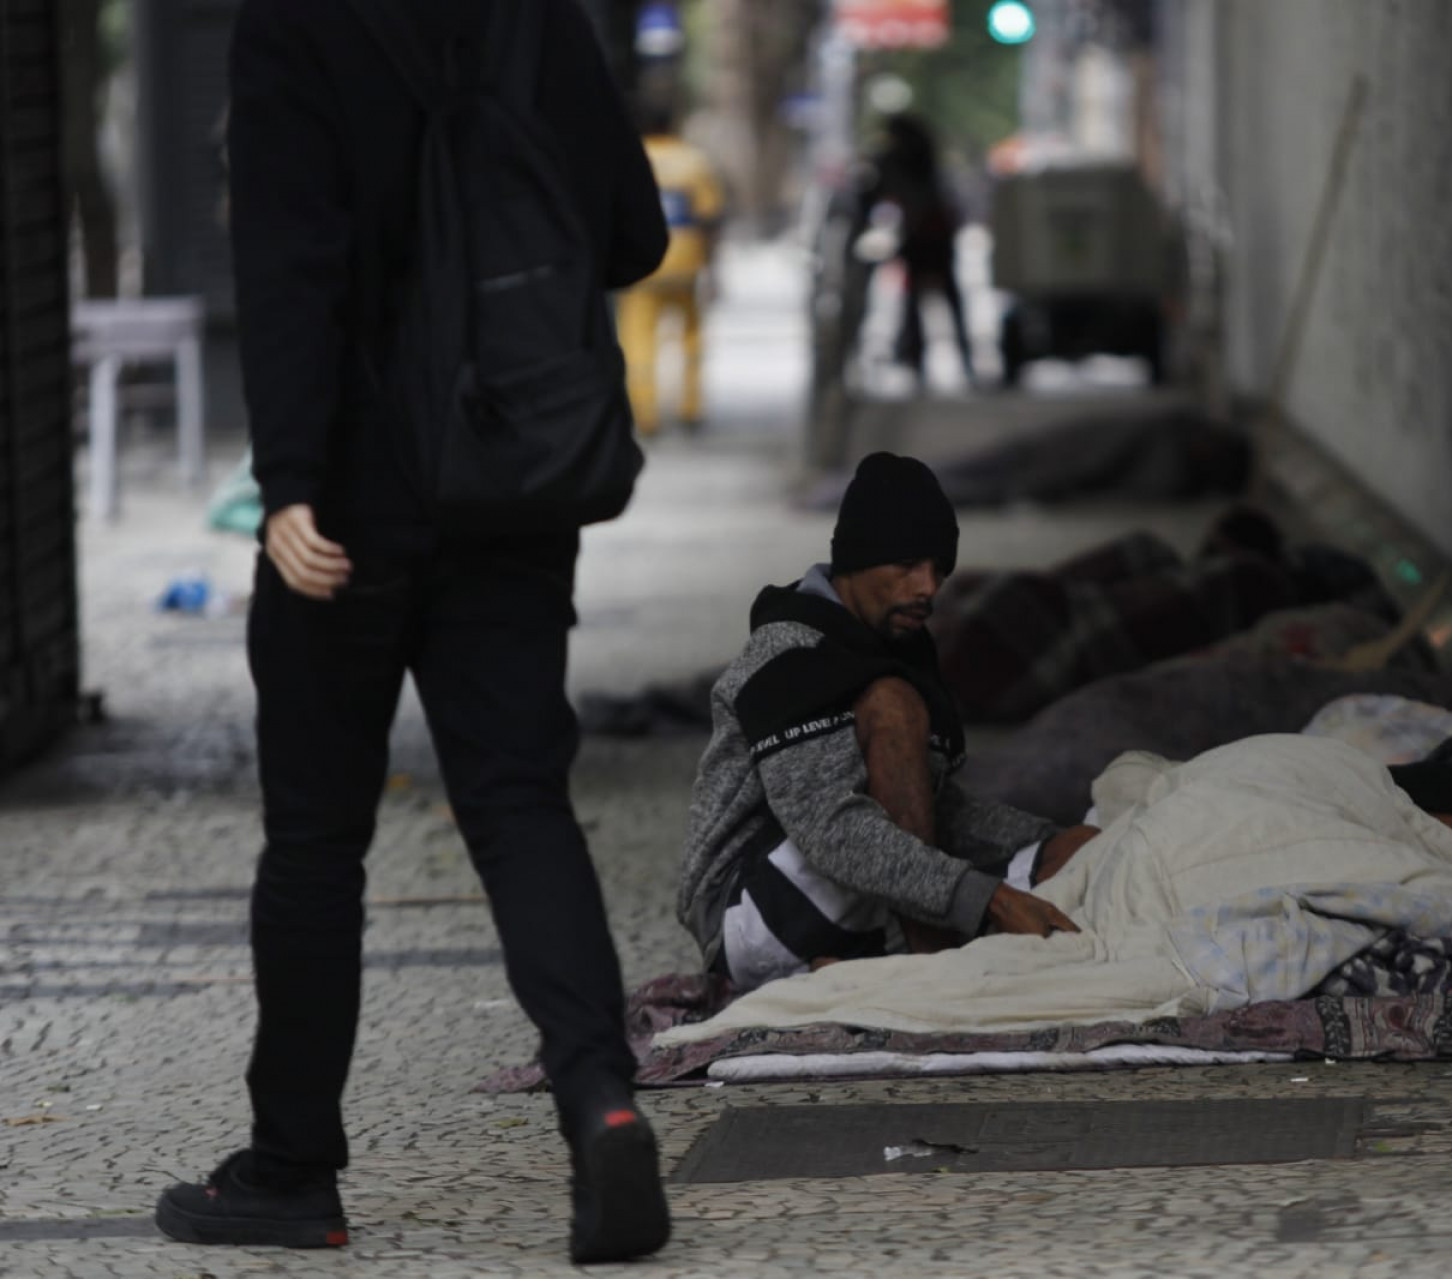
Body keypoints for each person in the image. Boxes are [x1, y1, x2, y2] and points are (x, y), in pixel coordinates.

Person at [155, 0, 672, 1264]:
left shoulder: (295, 26)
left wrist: (289, 484)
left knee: (319, 838)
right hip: (512, 480)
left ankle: (291, 1169)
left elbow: (289, 267)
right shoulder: (538, 20)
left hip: (354, 498)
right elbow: (633, 235)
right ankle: (601, 1096)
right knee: (517, 800)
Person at [678, 452, 1098, 991]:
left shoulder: (901, 647)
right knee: (893, 705)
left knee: (1073, 858)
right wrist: (987, 897)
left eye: (938, 569)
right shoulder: (788, 652)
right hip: (746, 911)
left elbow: (928, 809)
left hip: (852, 896)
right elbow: (833, 830)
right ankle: (933, 972)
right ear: (856, 559)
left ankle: (860, 970)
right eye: (906, 565)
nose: (927, 587)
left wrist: (1052, 843)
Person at [617, 103, 725, 434]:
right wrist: (713, 266)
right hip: (686, 262)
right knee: (690, 338)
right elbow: (710, 216)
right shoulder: (693, 161)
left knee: (638, 341)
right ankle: (691, 409)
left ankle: (645, 415)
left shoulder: (628, 161)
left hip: (642, 265)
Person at [858, 114, 975, 387]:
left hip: (923, 236)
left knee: (920, 304)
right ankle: (954, 360)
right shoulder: (922, 156)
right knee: (941, 302)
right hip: (933, 236)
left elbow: (873, 196)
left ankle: (920, 360)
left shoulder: (894, 161)